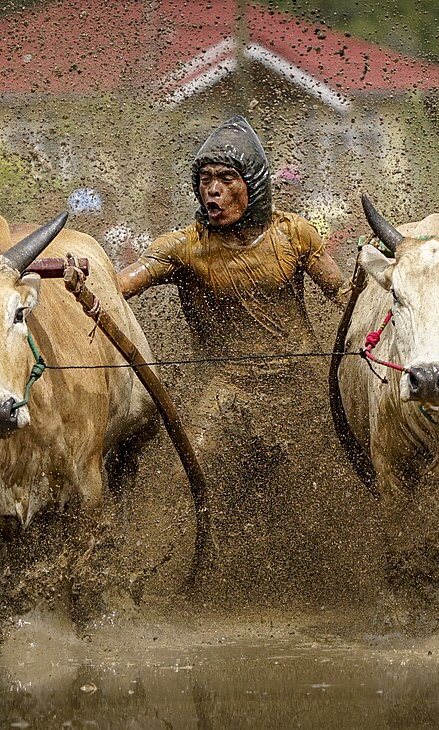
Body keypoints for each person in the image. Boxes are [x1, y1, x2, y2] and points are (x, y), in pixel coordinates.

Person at [116, 115, 349, 599]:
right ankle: (161, 574)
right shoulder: (184, 247)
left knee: (338, 471)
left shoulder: (295, 235)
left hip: (303, 383)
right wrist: (81, 279)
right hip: (230, 387)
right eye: (205, 181)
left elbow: (345, 296)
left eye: (226, 180)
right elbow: (119, 287)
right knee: (190, 464)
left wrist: (383, 280)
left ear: (254, 186)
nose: (213, 193)